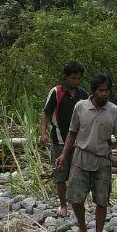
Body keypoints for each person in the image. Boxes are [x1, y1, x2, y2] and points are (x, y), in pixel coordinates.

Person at [56, 74, 117, 232]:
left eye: (106, 91)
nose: (104, 94)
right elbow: (72, 133)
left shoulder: (113, 110)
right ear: (94, 91)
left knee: (101, 200)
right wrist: (64, 154)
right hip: (81, 157)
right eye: (100, 91)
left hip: (103, 159)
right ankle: (82, 227)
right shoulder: (80, 107)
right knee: (75, 198)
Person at [39, 61, 87, 217]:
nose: (76, 81)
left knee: (77, 173)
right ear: (67, 77)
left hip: (78, 140)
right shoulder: (56, 92)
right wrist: (43, 133)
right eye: (73, 78)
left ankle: (76, 202)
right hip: (59, 138)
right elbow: (46, 113)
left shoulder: (82, 94)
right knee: (60, 174)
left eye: (78, 78)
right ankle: (63, 204)